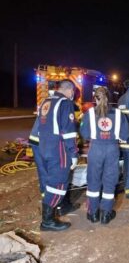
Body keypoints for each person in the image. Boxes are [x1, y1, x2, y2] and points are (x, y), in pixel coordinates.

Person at [80, 87, 129, 224]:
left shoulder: (89, 113)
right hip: (112, 149)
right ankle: (105, 214)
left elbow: (84, 133)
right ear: (109, 97)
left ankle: (93, 213)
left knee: (93, 180)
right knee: (110, 180)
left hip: (95, 148)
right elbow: (126, 134)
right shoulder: (119, 114)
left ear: (95, 98)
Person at [35, 79, 79, 231]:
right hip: (57, 148)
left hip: (44, 147)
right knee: (59, 182)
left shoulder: (46, 101)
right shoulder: (65, 103)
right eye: (73, 91)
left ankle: (55, 211)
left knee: (50, 180)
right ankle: (47, 221)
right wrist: (73, 153)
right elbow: (68, 131)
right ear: (70, 90)